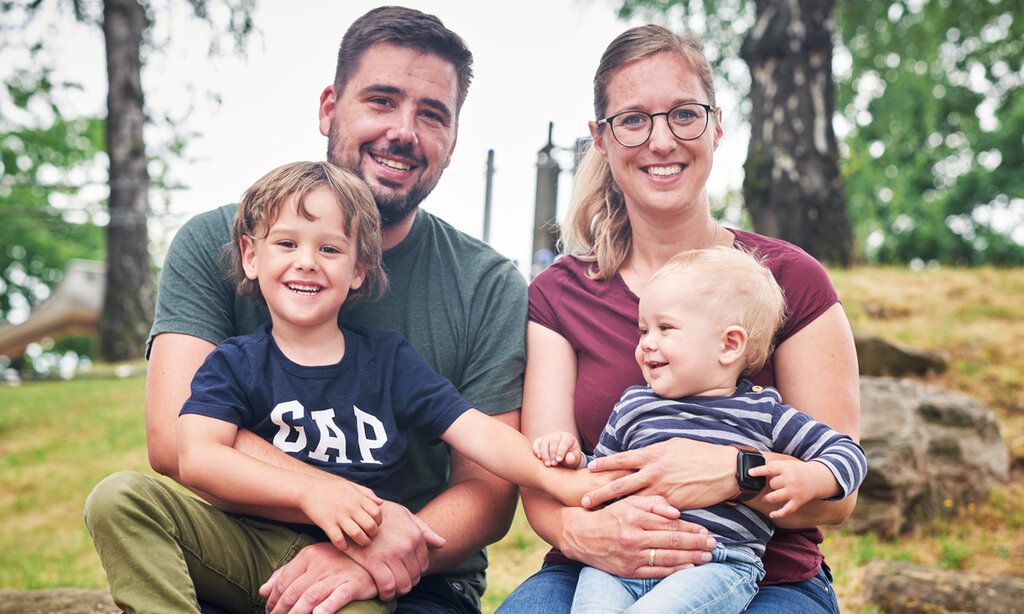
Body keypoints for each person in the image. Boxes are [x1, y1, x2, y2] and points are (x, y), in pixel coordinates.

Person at [84, 7, 528, 614]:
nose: (405, 131)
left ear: (452, 140)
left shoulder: (487, 283)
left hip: (417, 579)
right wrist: (355, 514)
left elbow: (487, 490)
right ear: (329, 107)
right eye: (381, 100)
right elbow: (172, 440)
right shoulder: (215, 241)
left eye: (432, 115)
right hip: (246, 552)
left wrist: (371, 558)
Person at [87, 161, 611, 614]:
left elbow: (481, 435)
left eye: (330, 248)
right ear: (251, 256)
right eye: (286, 243)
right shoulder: (234, 362)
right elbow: (197, 456)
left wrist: (569, 485)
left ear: (359, 268)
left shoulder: (388, 361)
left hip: (356, 560)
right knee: (120, 499)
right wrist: (315, 491)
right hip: (244, 542)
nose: (306, 261)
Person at [498, 24, 861, 614]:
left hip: (764, 580)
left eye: (684, 115)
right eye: (634, 119)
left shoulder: (789, 279)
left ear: (717, 125)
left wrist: (734, 473)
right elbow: (544, 489)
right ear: (601, 138)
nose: (661, 140)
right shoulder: (559, 294)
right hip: (597, 568)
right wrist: (579, 533)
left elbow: (837, 499)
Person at [532, 247, 867, 613]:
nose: (646, 342)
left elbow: (847, 453)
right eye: (643, 329)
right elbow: (604, 476)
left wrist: (813, 477)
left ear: (729, 345)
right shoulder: (633, 405)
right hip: (619, 563)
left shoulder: (763, 412)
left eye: (665, 328)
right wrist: (570, 457)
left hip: (716, 564)